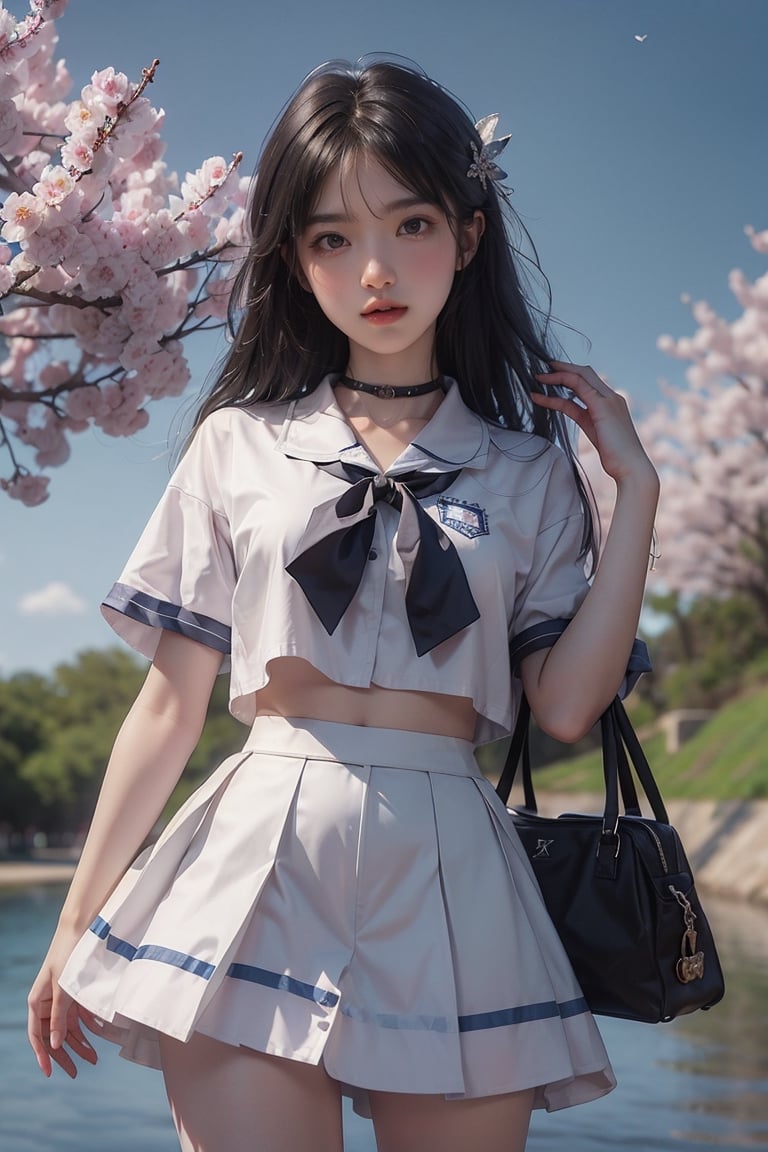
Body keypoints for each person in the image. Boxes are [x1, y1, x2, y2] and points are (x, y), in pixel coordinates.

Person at [27, 57, 660, 1152]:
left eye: (409, 224)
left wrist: (637, 497)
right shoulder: (240, 446)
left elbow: (564, 708)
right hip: (254, 865)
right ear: (294, 259)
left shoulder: (529, 471)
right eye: (332, 238)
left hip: (455, 888)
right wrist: (78, 917)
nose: (375, 269)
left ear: (466, 236)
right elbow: (170, 707)